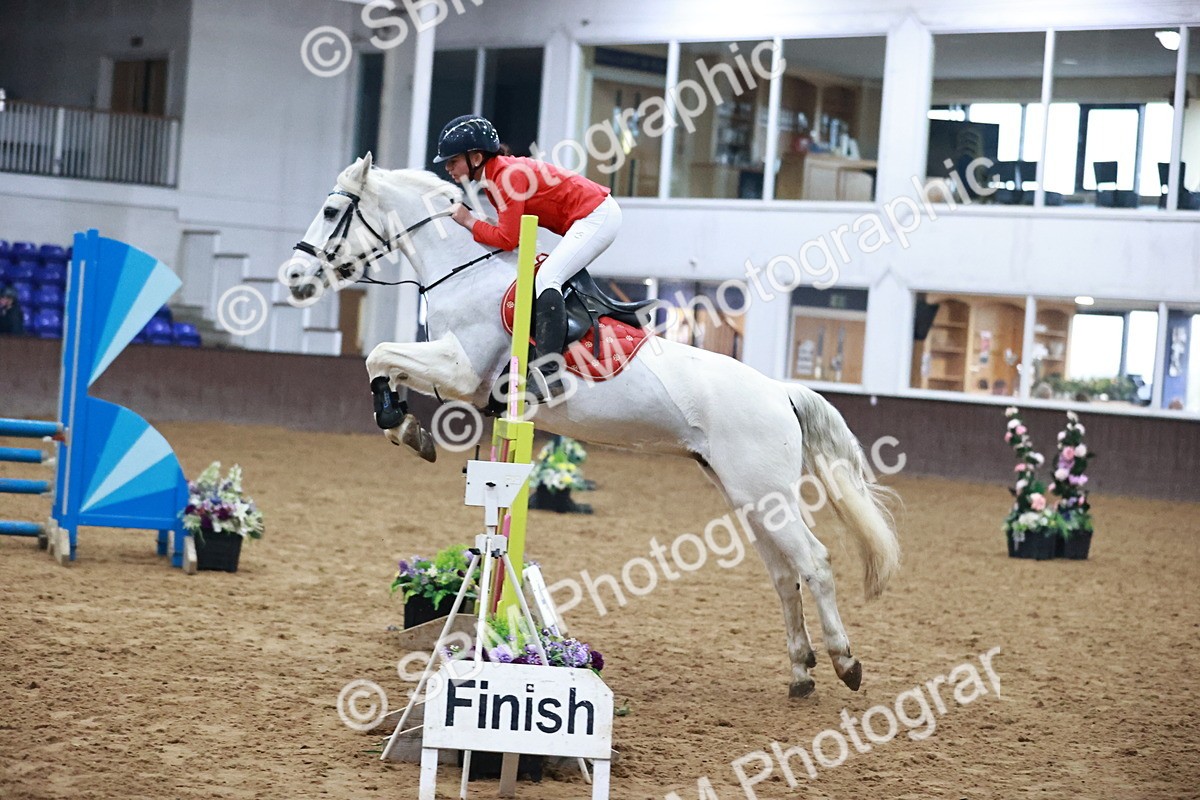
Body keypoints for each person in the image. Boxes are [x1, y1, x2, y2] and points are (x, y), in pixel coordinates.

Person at [435, 114, 621, 399]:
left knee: (548, 277)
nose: (448, 168)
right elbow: (511, 236)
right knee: (544, 275)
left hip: (596, 216)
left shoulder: (506, 177)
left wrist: (469, 221)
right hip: (588, 218)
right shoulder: (496, 176)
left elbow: (508, 240)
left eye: (452, 161)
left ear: (475, 157)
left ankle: (549, 374)